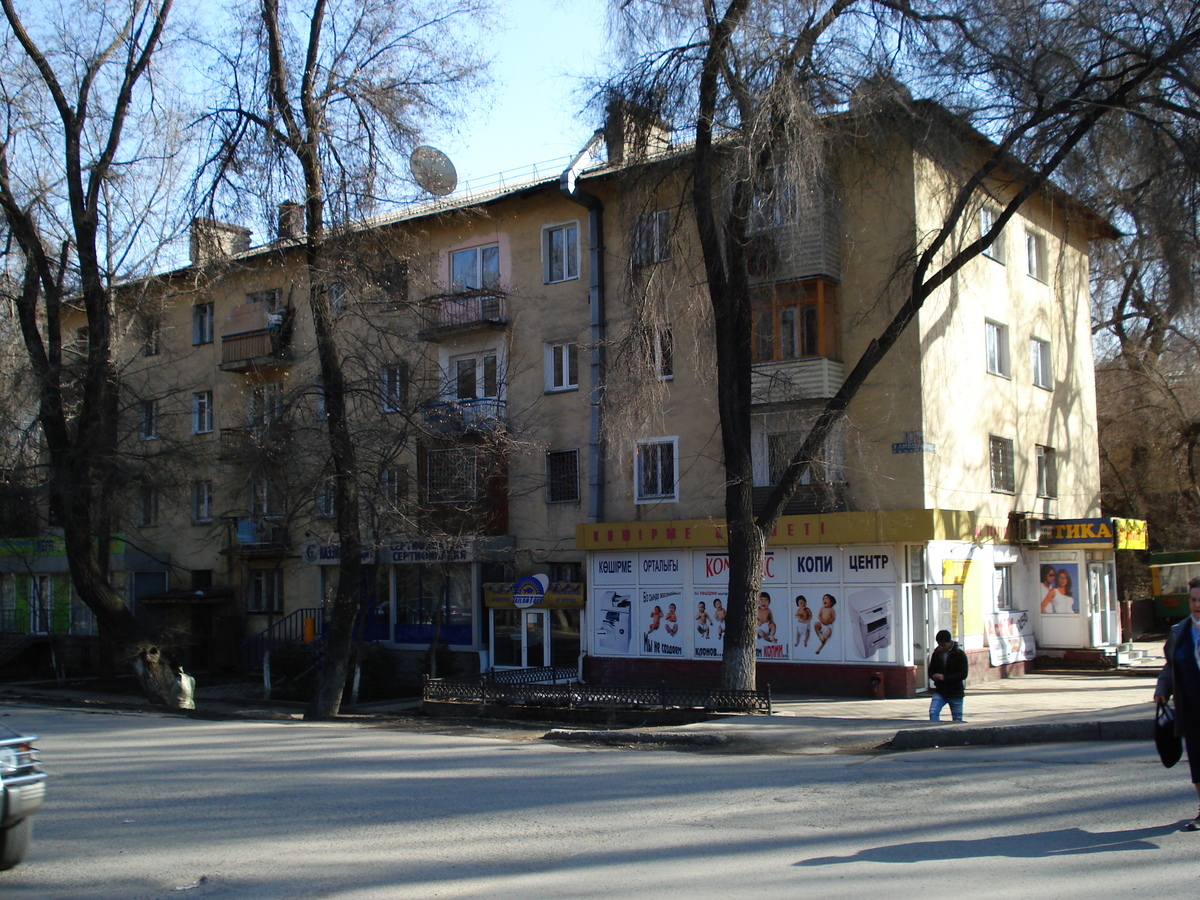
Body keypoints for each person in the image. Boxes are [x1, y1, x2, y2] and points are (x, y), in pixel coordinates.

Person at [1154, 576, 1200, 831]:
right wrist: (1163, 689)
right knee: (1198, 759)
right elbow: (1170, 666)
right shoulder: (1180, 632)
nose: (1197, 605)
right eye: (1193, 600)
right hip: (1192, 708)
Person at [928, 629, 968, 722]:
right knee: (933, 712)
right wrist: (933, 676)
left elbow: (963, 674)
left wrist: (945, 677)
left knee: (957, 718)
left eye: (944, 645)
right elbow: (931, 668)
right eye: (939, 644)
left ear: (950, 642)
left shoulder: (959, 654)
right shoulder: (937, 653)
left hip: (955, 692)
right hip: (941, 690)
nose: (941, 647)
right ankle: (934, 731)